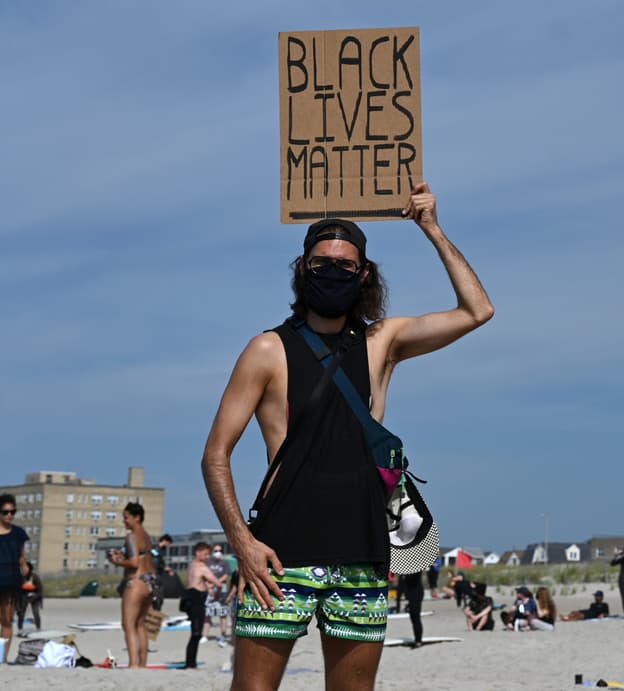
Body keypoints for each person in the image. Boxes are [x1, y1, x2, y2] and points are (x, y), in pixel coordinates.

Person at [201, 184, 494, 691]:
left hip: (362, 550)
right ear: (301, 269)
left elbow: (477, 311)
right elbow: (215, 455)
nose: (332, 272)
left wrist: (432, 229)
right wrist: (241, 543)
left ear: (363, 274)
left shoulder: (382, 343)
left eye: (344, 264)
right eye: (321, 264)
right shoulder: (267, 350)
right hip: (279, 553)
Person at [107, 502, 156, 668]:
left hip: (136, 582)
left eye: (126, 517)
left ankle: (133, 664)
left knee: (128, 624)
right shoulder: (146, 536)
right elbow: (141, 556)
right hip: (150, 580)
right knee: (140, 624)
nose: (123, 521)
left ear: (137, 518)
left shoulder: (131, 536)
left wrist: (116, 561)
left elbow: (134, 562)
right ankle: (142, 664)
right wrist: (125, 555)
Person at [0, 494, 30, 663]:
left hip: (11, 581)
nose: (9, 515)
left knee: (7, 620)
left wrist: (24, 566)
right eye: (5, 512)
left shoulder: (18, 533)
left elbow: (21, 556)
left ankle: (2, 657)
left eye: (12, 512)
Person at [183, 542, 222, 669]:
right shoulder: (202, 567)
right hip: (196, 599)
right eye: (205, 554)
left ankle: (190, 662)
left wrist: (207, 588)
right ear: (197, 552)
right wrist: (217, 594)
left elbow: (198, 581)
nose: (207, 557)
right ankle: (190, 664)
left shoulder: (191, 565)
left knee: (195, 632)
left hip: (188, 597)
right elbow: (218, 583)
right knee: (196, 633)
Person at [204, 543, 231, 646]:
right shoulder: (208, 562)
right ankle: (205, 635)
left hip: (221, 589)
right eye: (215, 551)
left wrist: (215, 582)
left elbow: (226, 576)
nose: (217, 553)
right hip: (209, 589)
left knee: (222, 613)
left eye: (219, 551)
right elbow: (204, 575)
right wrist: (208, 585)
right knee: (207, 613)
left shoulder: (225, 563)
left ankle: (223, 635)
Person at [399, 571, 425, 646]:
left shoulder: (416, 567)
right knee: (413, 616)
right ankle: (417, 639)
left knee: (415, 615)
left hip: (416, 592)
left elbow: (413, 578)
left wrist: (405, 575)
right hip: (411, 592)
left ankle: (418, 640)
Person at [17, 561, 42, 634]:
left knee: (36, 613)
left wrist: (33, 598)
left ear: (29, 569)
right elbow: (18, 590)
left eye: (25, 568)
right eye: (22, 568)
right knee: (21, 613)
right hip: (24, 597)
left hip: (35, 596)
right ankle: (20, 629)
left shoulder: (35, 577)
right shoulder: (20, 578)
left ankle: (38, 628)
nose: (23, 570)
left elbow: (40, 590)